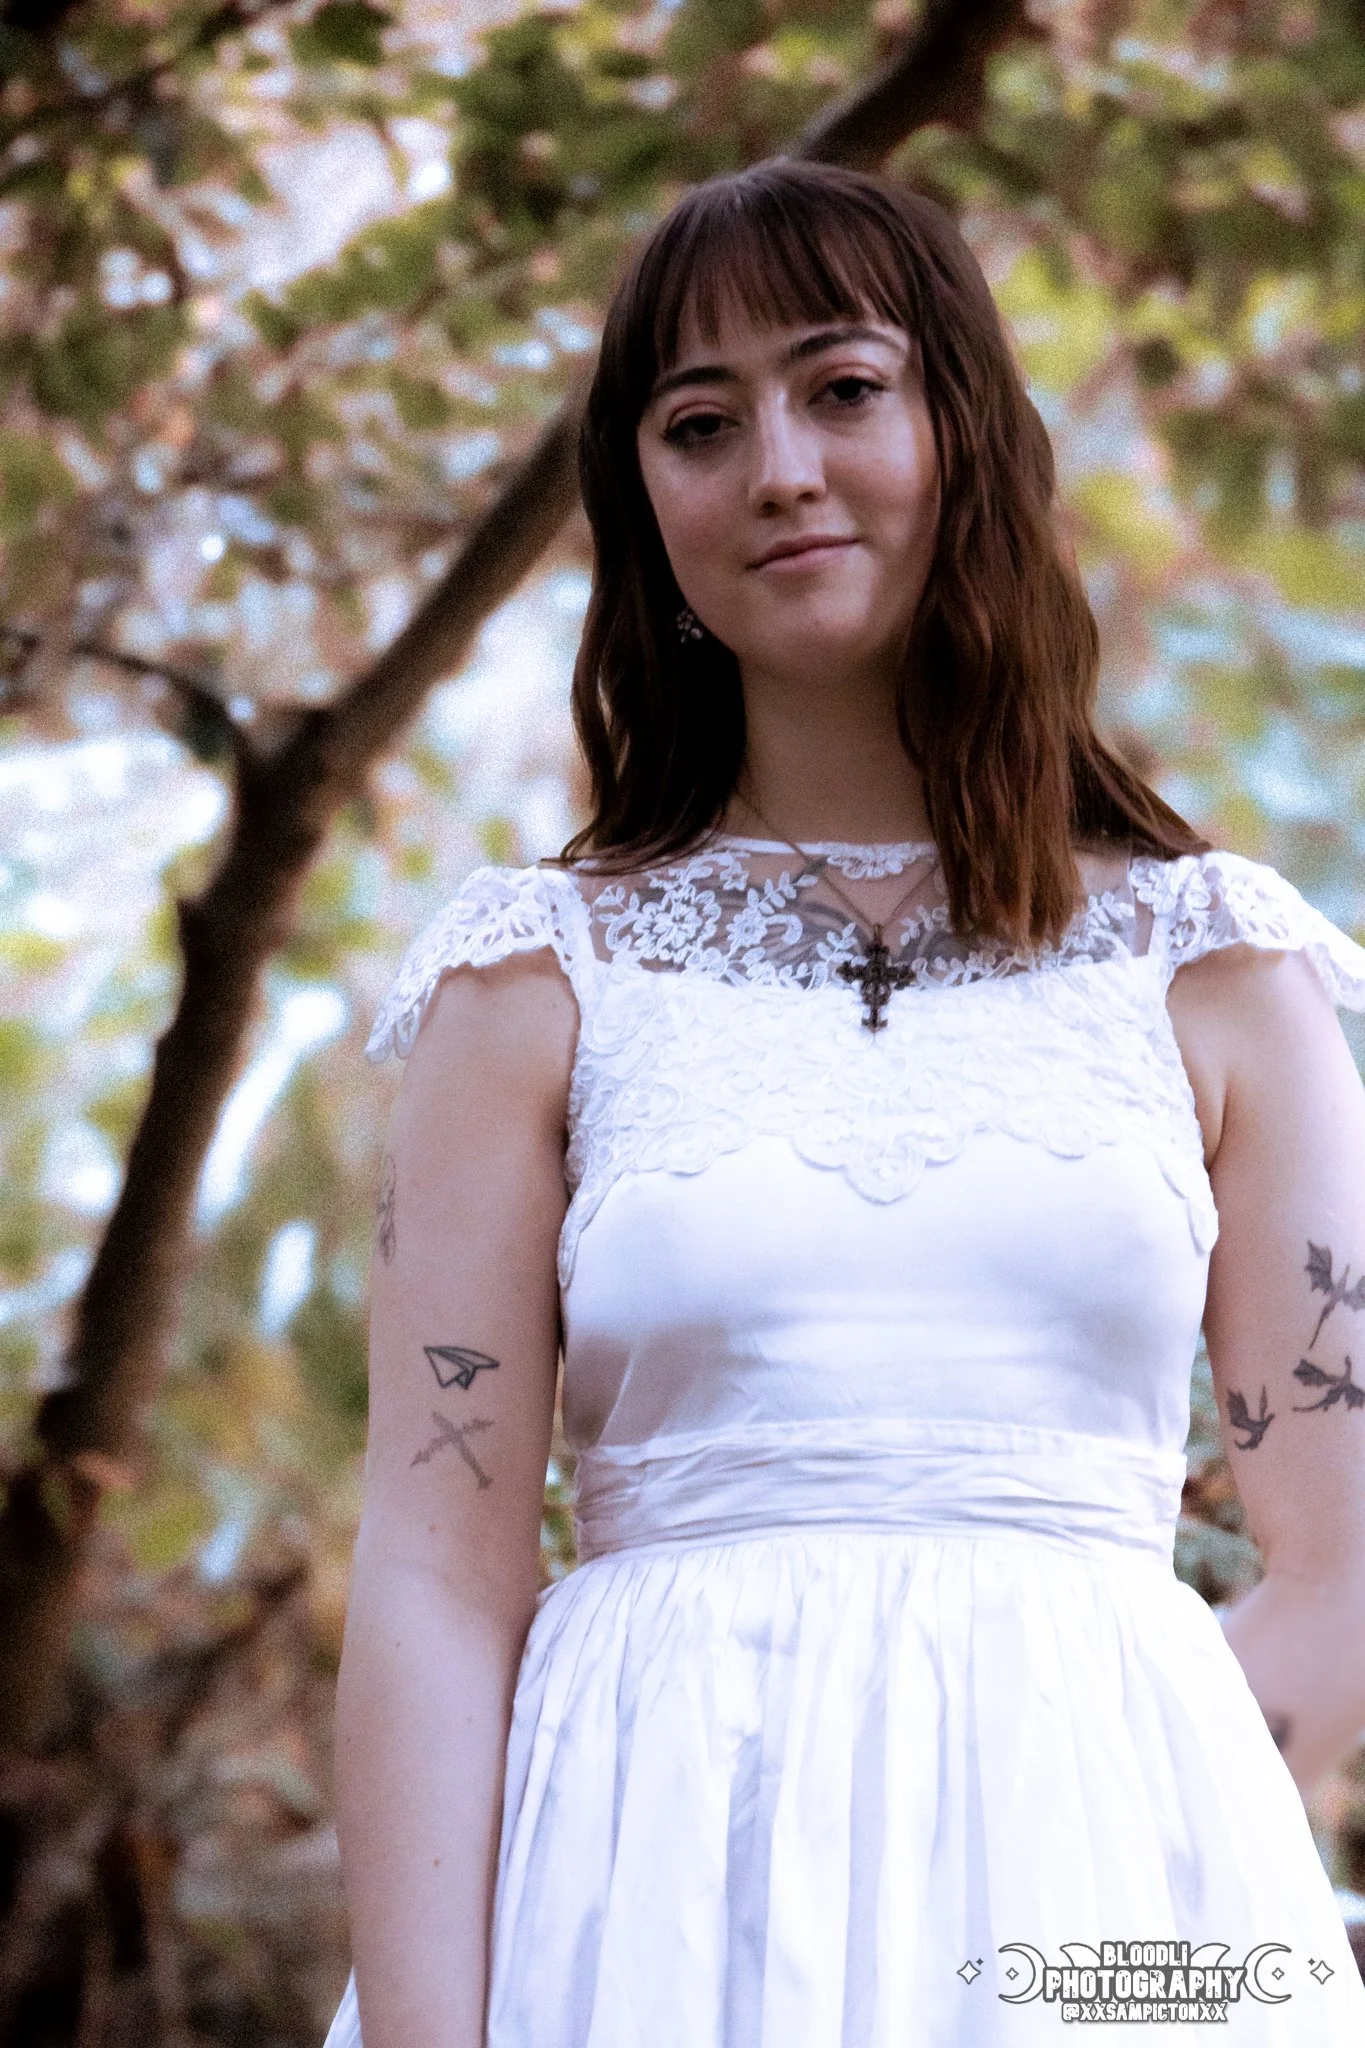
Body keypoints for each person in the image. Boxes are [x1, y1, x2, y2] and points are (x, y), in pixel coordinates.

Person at [322, 161, 1365, 2047]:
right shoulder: (533, 981)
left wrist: (1143, 1848)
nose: (781, 469)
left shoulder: (1216, 965)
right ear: (645, 502)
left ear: (965, 427)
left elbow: (1351, 1558)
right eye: (700, 424)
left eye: (844, 388)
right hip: (634, 1907)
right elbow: (432, 1582)